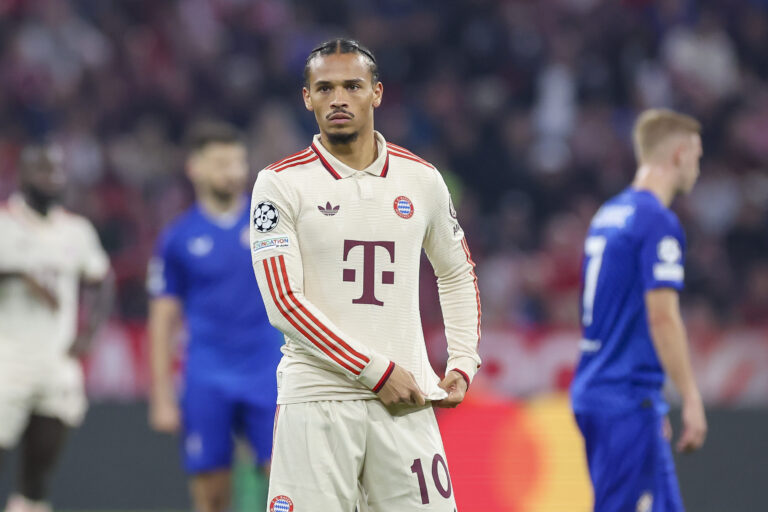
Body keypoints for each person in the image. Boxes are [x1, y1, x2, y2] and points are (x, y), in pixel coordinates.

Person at [249, 39, 482, 512]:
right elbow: (284, 303)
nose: (339, 98)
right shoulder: (279, 184)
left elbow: (456, 272)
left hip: (406, 401)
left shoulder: (421, 179)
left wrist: (462, 361)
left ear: (376, 93)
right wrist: (376, 371)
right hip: (317, 402)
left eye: (352, 86)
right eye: (325, 87)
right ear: (307, 98)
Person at [570, 109, 708, 512]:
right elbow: (662, 316)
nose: (698, 166)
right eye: (697, 155)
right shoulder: (656, 221)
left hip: (611, 390)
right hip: (623, 396)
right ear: (679, 154)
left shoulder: (608, 214)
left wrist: (651, 403)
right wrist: (691, 398)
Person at [147, 122, 284, 512]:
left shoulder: (270, 225)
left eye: (238, 162)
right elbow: (162, 319)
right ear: (195, 168)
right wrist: (161, 395)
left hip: (267, 369)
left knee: (285, 481)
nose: (232, 172)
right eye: (220, 163)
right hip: (208, 374)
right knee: (211, 494)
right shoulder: (178, 237)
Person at [0, 143, 114, 512]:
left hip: (55, 363)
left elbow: (102, 278)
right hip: (8, 359)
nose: (52, 178)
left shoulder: (75, 230)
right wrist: (19, 273)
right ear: (22, 175)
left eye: (57, 170)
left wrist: (90, 333)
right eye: (43, 170)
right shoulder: (4, 224)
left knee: (39, 472)